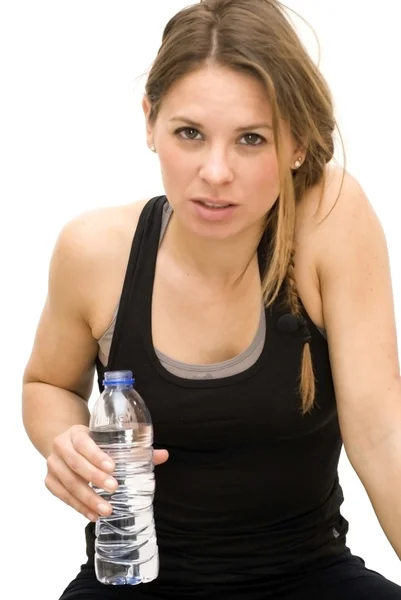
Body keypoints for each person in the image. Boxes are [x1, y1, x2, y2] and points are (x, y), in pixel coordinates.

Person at [22, 0, 401, 598]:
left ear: (298, 143)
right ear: (150, 121)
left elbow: (382, 435)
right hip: (133, 576)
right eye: (189, 133)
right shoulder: (94, 251)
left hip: (309, 574)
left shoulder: (329, 219)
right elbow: (47, 385)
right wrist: (64, 442)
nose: (216, 171)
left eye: (252, 139)